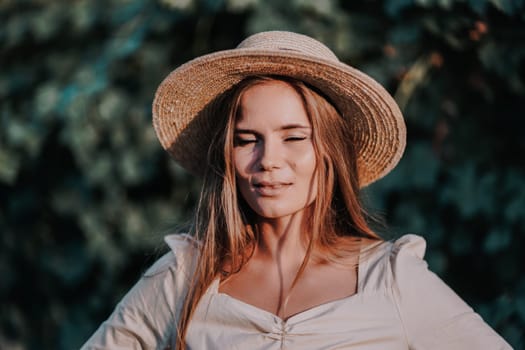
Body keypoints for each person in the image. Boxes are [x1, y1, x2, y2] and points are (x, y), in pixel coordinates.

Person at [81, 31, 511, 349]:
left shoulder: (391, 279)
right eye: (247, 139)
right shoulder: (184, 278)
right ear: (226, 155)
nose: (268, 160)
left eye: (293, 137)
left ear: (328, 151)